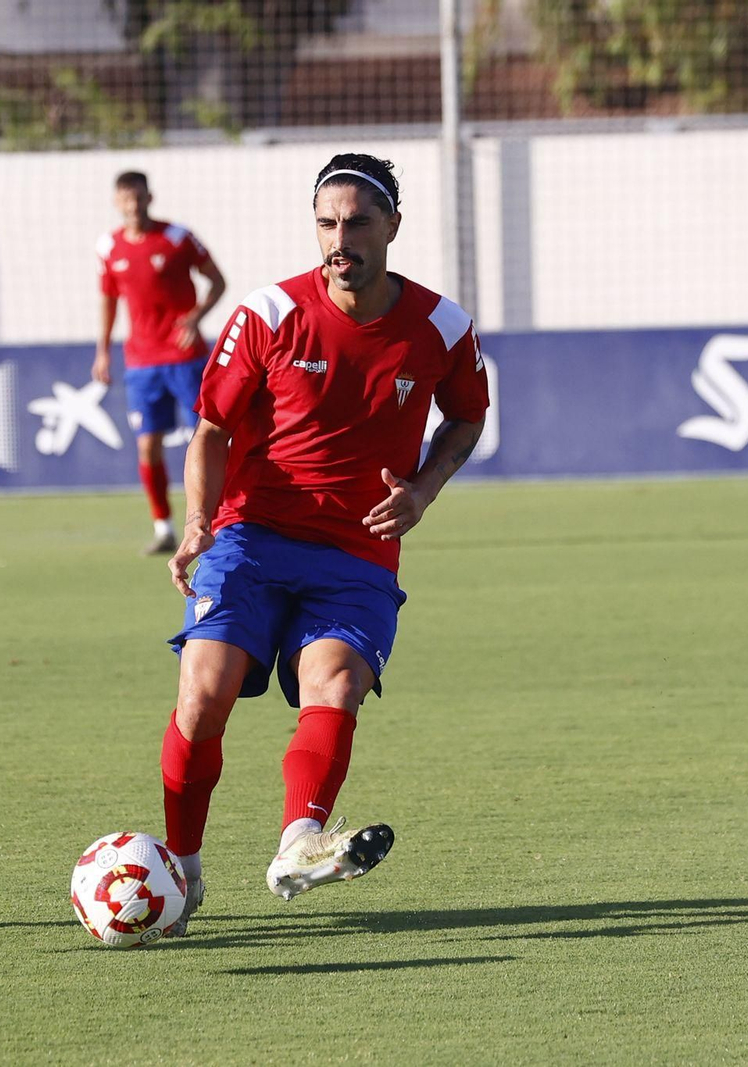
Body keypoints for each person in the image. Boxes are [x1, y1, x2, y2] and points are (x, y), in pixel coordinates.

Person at [156, 153, 489, 936]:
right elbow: (211, 428)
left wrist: (423, 489)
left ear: (393, 228)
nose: (340, 240)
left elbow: (467, 415)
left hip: (356, 554)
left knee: (333, 685)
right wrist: (199, 518)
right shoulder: (270, 314)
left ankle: (300, 842)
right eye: (327, 224)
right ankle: (181, 868)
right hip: (252, 536)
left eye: (358, 223)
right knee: (202, 692)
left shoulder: (442, 327)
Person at [93, 171, 226, 555]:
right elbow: (108, 300)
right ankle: (163, 527)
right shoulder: (109, 247)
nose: (133, 206)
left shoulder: (177, 238)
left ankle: (216, 520)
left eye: (138, 198)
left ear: (149, 197)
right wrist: (103, 350)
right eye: (125, 199)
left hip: (184, 357)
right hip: (141, 362)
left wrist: (196, 317)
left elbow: (217, 281)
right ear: (117, 202)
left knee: (204, 439)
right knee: (147, 445)